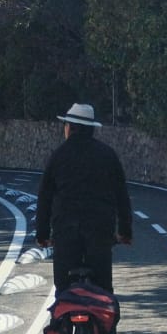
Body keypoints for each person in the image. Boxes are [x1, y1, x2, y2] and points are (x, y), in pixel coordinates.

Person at [36, 102, 133, 294]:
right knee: (103, 291)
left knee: (63, 291)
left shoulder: (58, 156)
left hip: (65, 232)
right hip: (100, 231)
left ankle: (60, 322)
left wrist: (42, 235)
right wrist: (124, 232)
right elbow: (121, 195)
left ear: (70, 127)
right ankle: (106, 324)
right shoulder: (107, 155)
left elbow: (45, 197)